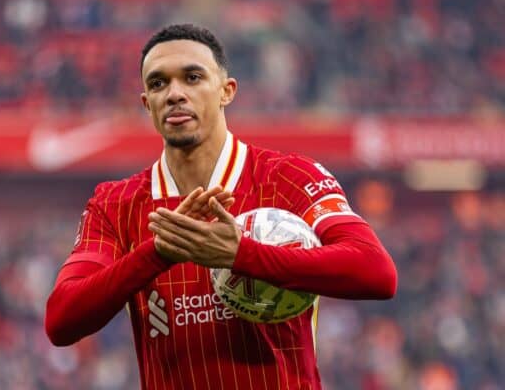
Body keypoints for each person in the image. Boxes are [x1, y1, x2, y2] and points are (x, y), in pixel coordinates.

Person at [45, 23, 398, 389]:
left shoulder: (289, 177)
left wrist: (242, 254)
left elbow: (376, 272)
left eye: (193, 77)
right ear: (145, 103)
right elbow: (61, 319)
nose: (174, 94)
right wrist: (158, 254)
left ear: (226, 91)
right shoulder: (116, 203)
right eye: (158, 83)